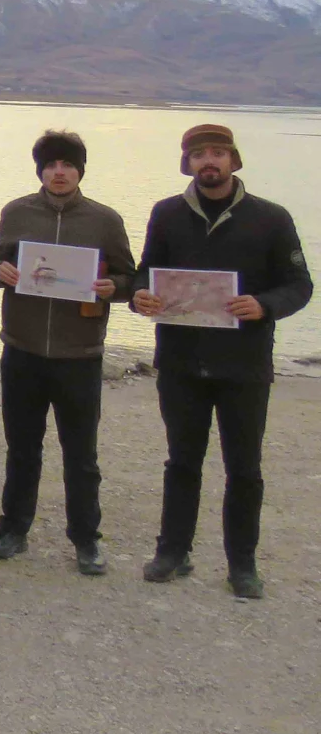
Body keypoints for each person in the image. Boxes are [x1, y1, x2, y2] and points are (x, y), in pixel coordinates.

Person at [131, 124, 312, 599]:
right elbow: (145, 272)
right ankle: (173, 551)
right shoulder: (166, 213)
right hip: (181, 362)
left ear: (234, 160)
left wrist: (265, 305)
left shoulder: (271, 218)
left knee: (244, 468)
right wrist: (140, 296)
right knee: (182, 461)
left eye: (217, 152)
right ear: (187, 163)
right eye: (198, 154)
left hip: (244, 365)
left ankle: (242, 564)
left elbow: (299, 285)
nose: (208, 161)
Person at [0, 131, 136, 576]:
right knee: (22, 449)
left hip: (80, 354)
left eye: (67, 164)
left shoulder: (104, 220)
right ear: (40, 171)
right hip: (22, 349)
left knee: (81, 455)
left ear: (80, 170)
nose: (59, 172)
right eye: (50, 165)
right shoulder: (17, 212)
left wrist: (114, 287)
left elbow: (130, 278)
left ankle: (87, 539)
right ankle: (13, 530)